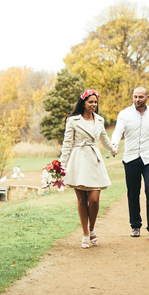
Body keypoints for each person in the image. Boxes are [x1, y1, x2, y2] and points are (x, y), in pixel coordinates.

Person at [59, 89, 117, 249]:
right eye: (90, 102)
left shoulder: (99, 120)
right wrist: (62, 165)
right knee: (81, 200)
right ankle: (85, 233)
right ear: (83, 103)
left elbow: (104, 139)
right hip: (78, 161)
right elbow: (67, 144)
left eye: (95, 102)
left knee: (94, 199)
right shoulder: (73, 120)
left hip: (94, 161)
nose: (94, 104)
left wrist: (113, 149)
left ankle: (92, 228)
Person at [111, 87, 149, 240]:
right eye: (135, 96)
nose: (137, 99)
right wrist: (114, 144)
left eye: (140, 97)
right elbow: (117, 131)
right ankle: (135, 226)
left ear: (147, 97)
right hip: (131, 159)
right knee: (133, 193)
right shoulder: (124, 114)